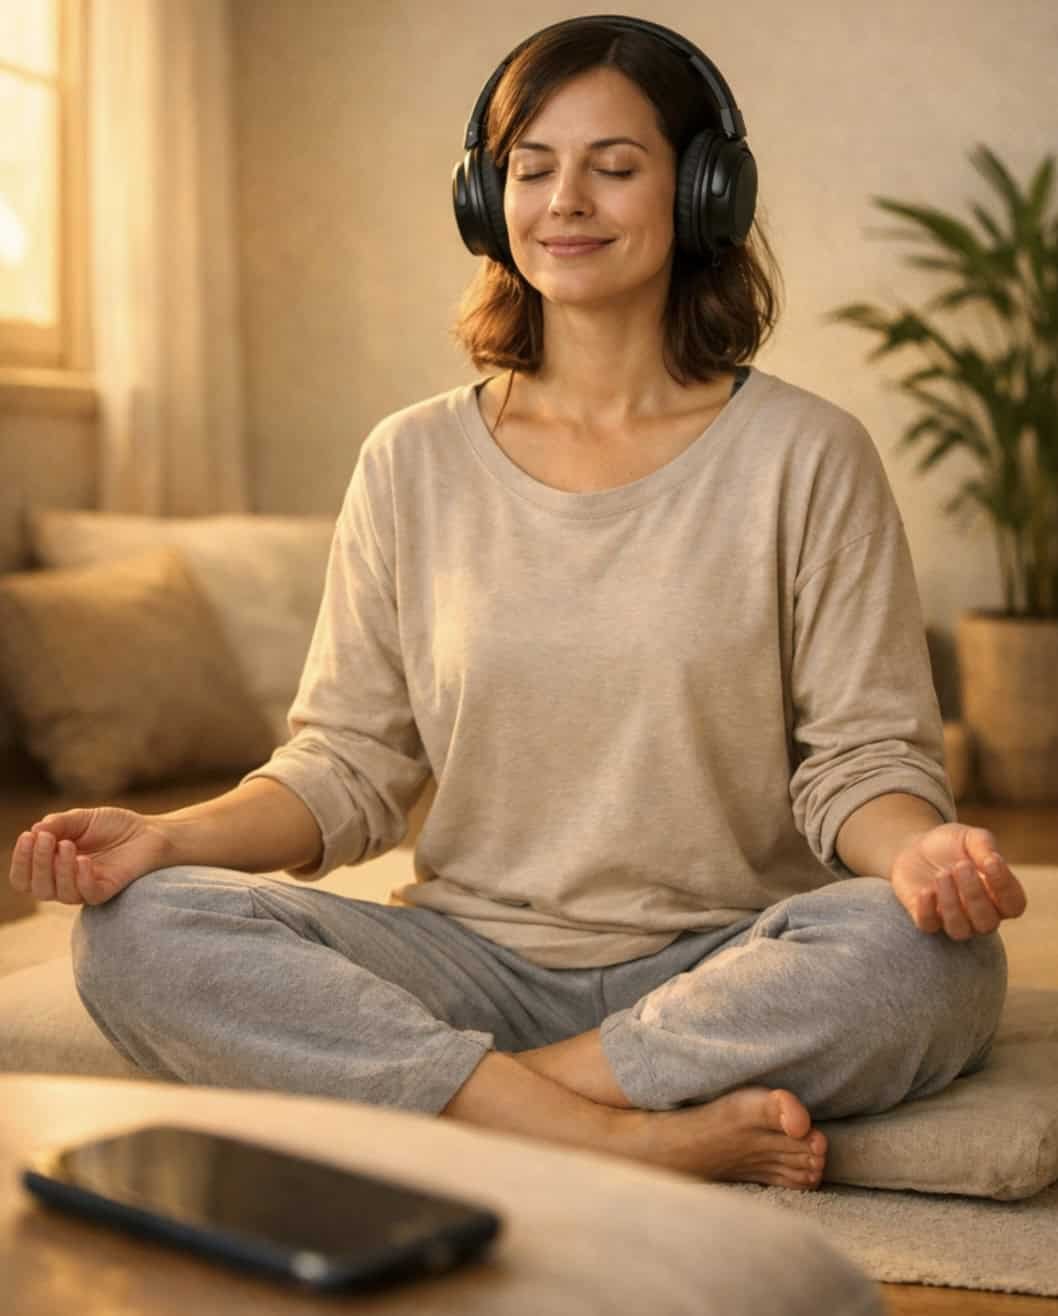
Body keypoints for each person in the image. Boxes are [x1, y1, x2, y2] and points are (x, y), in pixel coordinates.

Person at [8, 17, 1024, 1195]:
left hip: (730, 955)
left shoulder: (808, 454)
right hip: (469, 952)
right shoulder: (409, 459)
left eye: (614, 164)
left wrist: (924, 855)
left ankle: (487, 1098)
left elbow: (858, 761)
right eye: (530, 167)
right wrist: (169, 837)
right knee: (140, 931)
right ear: (485, 201)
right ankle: (613, 1133)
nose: (565, 201)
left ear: (702, 192)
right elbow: (346, 764)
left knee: (929, 961)